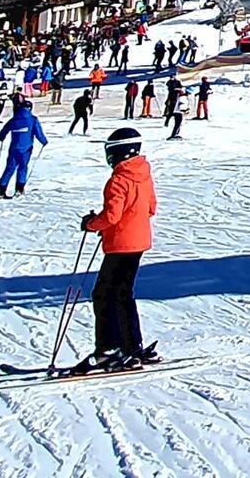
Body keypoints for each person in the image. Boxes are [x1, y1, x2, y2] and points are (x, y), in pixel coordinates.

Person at [79, 128, 158, 371]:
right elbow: (151, 208)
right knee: (123, 294)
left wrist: (92, 224)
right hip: (139, 243)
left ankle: (108, 349)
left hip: (120, 244)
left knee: (103, 294)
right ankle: (131, 345)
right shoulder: (143, 175)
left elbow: (112, 216)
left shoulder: (119, 179)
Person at [0, 102, 49, 198]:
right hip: (26, 149)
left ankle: (1, 190)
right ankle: (19, 189)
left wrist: (1, 137)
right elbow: (38, 133)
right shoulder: (32, 120)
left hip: (14, 148)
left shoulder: (14, 119)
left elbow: (4, 130)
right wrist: (44, 141)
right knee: (23, 167)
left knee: (9, 168)